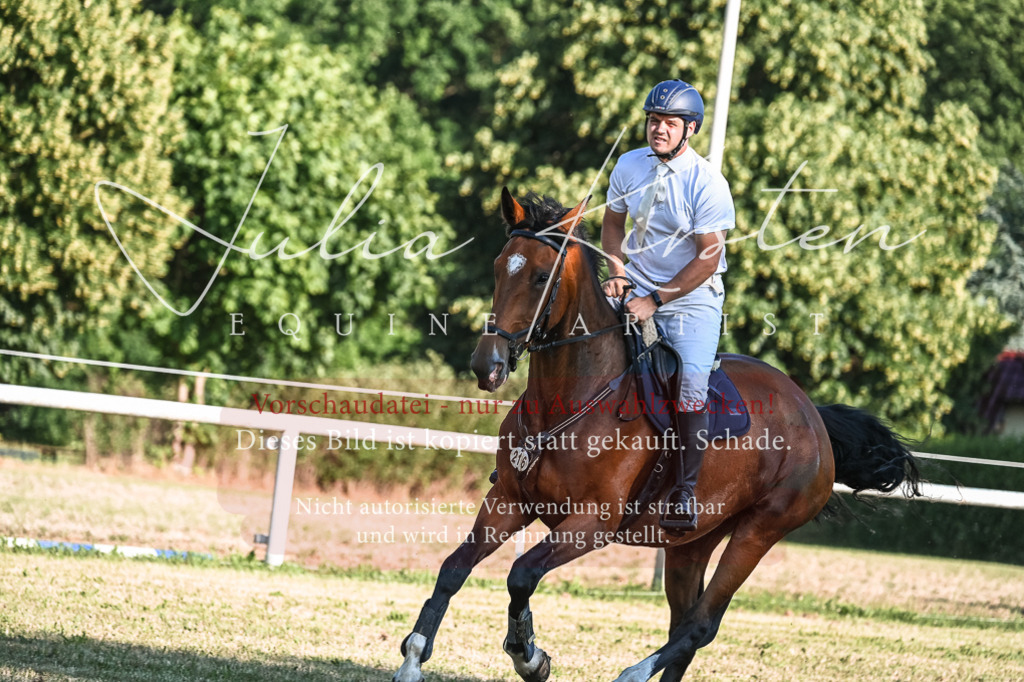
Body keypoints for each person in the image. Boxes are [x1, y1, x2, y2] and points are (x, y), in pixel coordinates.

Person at [601, 79, 736, 532]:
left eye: (669, 123)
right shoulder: (628, 164)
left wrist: (655, 301)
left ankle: (684, 491)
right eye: (653, 120)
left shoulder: (707, 183)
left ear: (690, 129)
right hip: (635, 282)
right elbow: (613, 224)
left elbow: (708, 258)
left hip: (692, 298)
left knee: (691, 387)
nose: (658, 129)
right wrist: (618, 271)